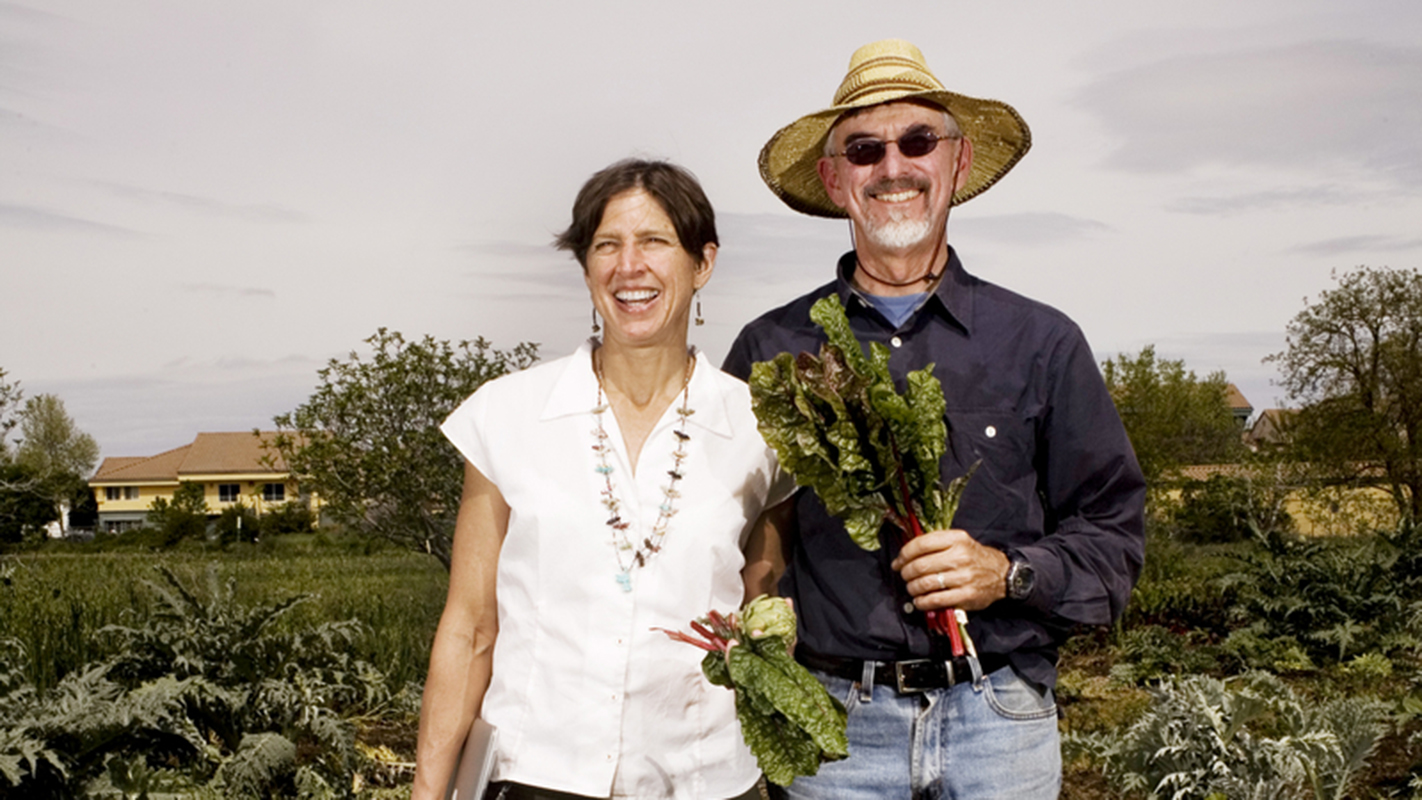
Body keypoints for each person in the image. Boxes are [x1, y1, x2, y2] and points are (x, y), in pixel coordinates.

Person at [723, 40, 1147, 798]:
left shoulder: (1040, 342)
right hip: (836, 730)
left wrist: (1006, 573)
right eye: (863, 149)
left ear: (957, 161)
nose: (893, 166)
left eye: (918, 140)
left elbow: (1113, 536)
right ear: (833, 177)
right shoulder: (774, 350)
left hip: (1000, 717)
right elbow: (728, 523)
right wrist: (755, 597)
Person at [413, 159, 794, 800]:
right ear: (587, 269)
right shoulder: (507, 414)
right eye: (606, 246)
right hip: (535, 775)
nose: (629, 266)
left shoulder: (760, 431)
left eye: (654, 242)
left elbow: (763, 610)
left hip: (702, 780)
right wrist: (428, 792)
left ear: (703, 263)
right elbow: (469, 626)